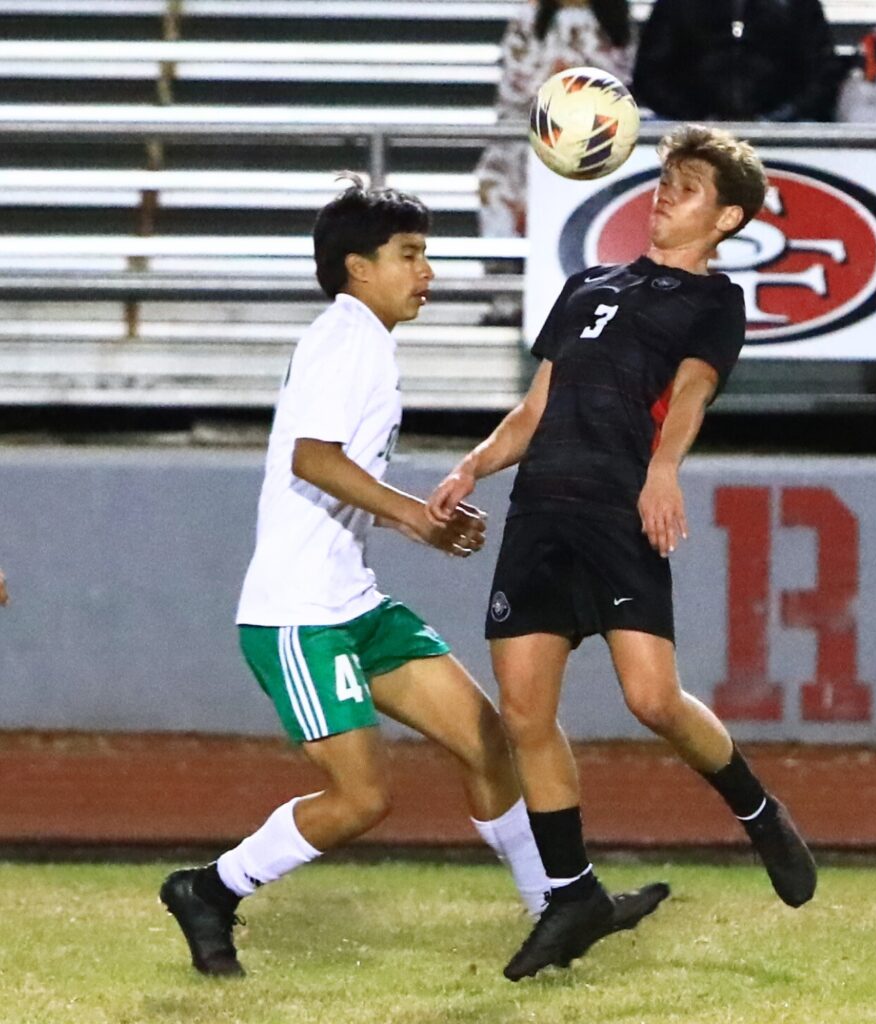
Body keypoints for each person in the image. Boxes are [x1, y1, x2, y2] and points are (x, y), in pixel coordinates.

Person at [158, 177, 662, 980]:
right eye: (410, 255)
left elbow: (331, 475)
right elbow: (311, 459)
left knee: (490, 741)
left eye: (426, 253)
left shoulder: (365, 338)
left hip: (353, 602)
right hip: (298, 616)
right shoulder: (345, 337)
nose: (426, 271)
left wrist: (412, 525)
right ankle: (209, 889)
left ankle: (558, 910)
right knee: (361, 800)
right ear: (358, 268)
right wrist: (417, 517)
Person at [428, 124, 817, 982]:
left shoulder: (714, 304)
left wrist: (664, 472)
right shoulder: (585, 284)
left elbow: (690, 393)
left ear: (727, 219)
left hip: (617, 510)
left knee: (652, 699)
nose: (666, 193)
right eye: (665, 179)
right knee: (524, 716)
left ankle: (757, 811)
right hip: (540, 514)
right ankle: (573, 896)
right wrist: (473, 463)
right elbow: (537, 406)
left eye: (688, 186)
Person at [478, 0, 635, 239]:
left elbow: (623, 77)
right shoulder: (529, 15)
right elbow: (514, 77)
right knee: (496, 177)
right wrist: (551, 81)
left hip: (592, 132)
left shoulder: (614, 17)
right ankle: (506, 261)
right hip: (528, 127)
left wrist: (577, 85)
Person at [631, 0, 841, 122]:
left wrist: (780, 118)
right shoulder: (678, 4)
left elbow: (823, 73)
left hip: (786, 131)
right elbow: (650, 72)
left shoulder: (798, 4)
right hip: (689, 132)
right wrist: (696, 117)